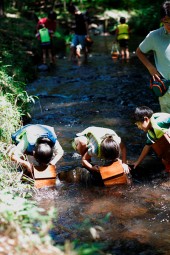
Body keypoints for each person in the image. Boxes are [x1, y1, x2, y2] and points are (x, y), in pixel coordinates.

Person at [136, 1, 170, 113]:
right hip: (166, 89)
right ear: (161, 20)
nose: (169, 25)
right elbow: (139, 52)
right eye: (166, 21)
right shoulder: (154, 36)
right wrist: (151, 68)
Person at [133, 106, 170, 172]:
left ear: (146, 119)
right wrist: (137, 162)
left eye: (139, 124)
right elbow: (147, 146)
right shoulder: (151, 132)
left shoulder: (160, 121)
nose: (138, 127)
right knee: (164, 159)